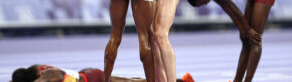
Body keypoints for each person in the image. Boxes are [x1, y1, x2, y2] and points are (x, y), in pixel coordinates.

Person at [185, 0, 276, 82]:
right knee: (245, 40)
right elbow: (227, 9)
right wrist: (243, 29)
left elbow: (231, 6)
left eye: (202, 2)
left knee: (255, 40)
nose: (206, 3)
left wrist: (247, 28)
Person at [10, 64, 195, 82]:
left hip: (91, 78)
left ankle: (181, 81)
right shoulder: (36, 69)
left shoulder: (48, 76)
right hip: (86, 74)